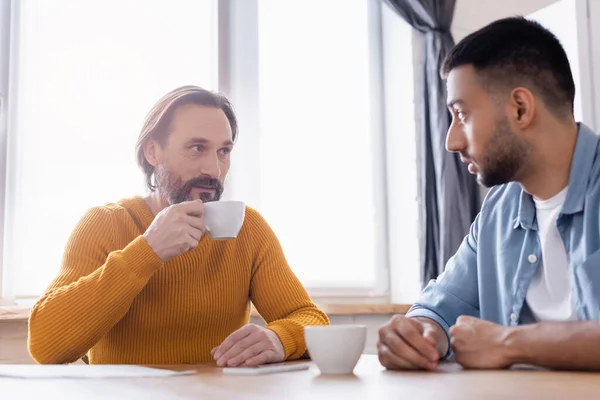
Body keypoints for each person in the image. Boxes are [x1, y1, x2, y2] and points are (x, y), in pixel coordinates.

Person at [28, 85, 329, 365]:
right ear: (153, 152)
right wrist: (147, 251)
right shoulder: (108, 224)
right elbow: (45, 345)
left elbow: (310, 318)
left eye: (223, 151)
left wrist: (280, 338)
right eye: (197, 148)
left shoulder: (247, 228)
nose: (214, 169)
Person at [378, 17, 600, 371]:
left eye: (461, 114)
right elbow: (439, 306)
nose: (452, 141)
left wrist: (508, 343)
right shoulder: (499, 210)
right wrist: (419, 335)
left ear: (520, 108)